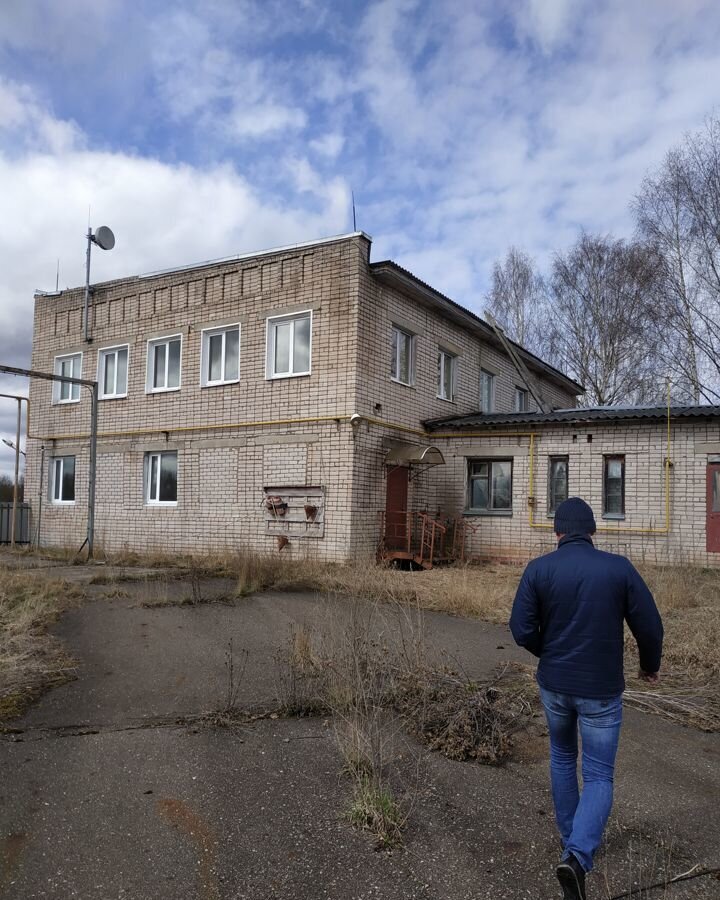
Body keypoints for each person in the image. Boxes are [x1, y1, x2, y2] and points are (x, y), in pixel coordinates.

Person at [509, 497, 663, 900]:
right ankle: (576, 856)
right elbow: (650, 626)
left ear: (557, 531)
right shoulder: (618, 569)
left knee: (561, 757)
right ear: (593, 531)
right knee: (598, 774)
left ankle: (570, 842)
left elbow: (521, 629)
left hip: (555, 686)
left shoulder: (539, 569)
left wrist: (551, 651)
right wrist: (649, 666)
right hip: (601, 691)